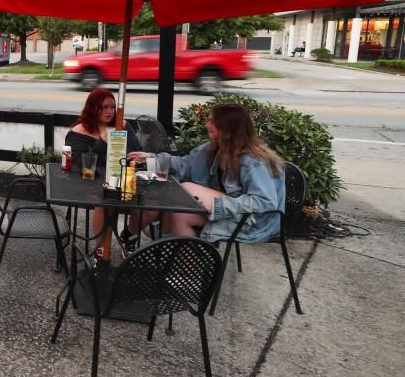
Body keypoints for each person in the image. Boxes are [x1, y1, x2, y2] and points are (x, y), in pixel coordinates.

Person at [125, 103, 285, 245]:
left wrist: (218, 205)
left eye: (211, 121)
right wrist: (153, 159)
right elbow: (186, 164)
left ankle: (188, 266)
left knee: (183, 197)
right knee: (175, 208)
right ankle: (186, 262)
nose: (207, 125)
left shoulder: (253, 161)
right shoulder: (214, 147)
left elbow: (265, 201)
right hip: (230, 210)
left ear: (227, 128)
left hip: (253, 222)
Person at [64, 89, 141, 262]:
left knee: (149, 207)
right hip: (92, 183)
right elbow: (78, 164)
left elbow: (137, 151)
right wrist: (103, 141)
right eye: (104, 107)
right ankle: (101, 249)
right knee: (102, 202)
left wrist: (132, 154)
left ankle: (128, 236)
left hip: (123, 179)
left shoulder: (122, 125)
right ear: (93, 108)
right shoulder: (78, 132)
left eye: (113, 107)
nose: (110, 111)